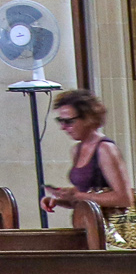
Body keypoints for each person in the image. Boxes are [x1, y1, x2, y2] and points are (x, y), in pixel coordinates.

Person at [41, 87, 131, 217]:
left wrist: (77, 196)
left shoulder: (105, 149)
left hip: (111, 229)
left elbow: (124, 198)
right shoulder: (76, 150)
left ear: (88, 118)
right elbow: (86, 196)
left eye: (69, 121)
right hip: (89, 222)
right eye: (60, 121)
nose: (63, 127)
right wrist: (59, 200)